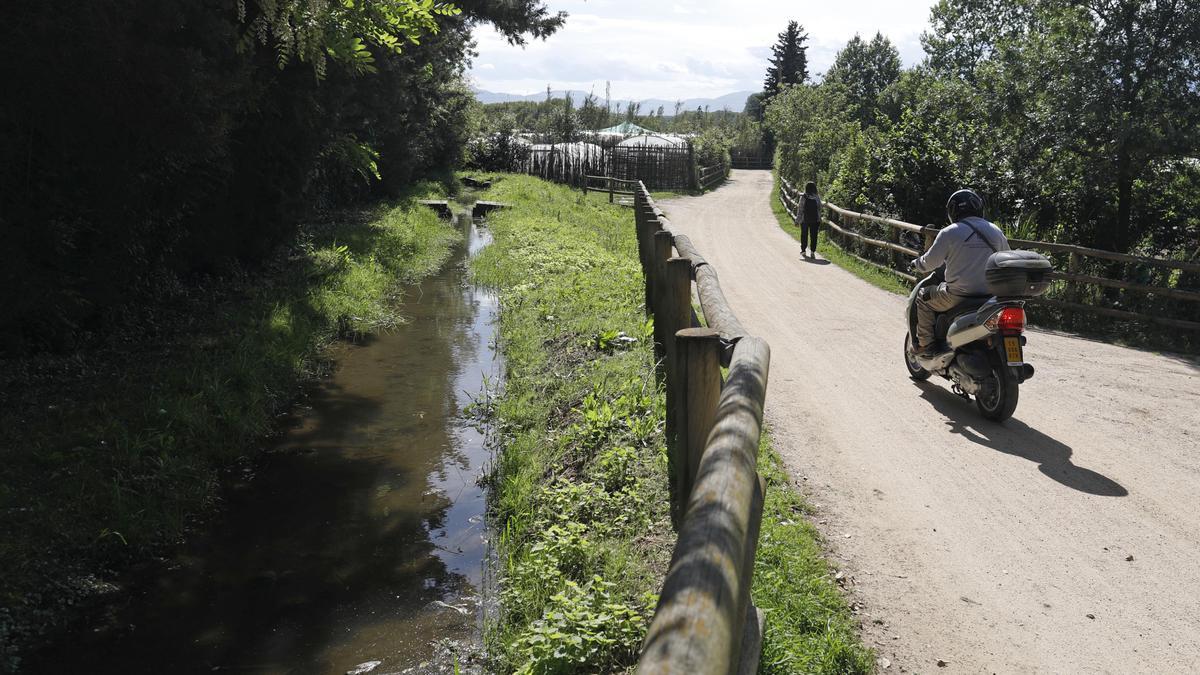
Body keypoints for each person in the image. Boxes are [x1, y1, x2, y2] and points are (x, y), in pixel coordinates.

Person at [910, 189, 1010, 356]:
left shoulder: (950, 232)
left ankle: (926, 345)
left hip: (957, 296)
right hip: (989, 296)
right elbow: (1007, 259)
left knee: (923, 297)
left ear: (953, 211)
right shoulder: (995, 230)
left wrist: (916, 264)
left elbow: (930, 263)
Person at [799, 181, 821, 257]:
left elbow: (800, 209)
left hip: (804, 219)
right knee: (814, 236)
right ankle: (812, 252)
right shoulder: (817, 197)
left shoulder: (803, 197)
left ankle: (803, 250)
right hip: (815, 219)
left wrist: (797, 220)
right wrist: (819, 219)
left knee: (804, 235)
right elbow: (819, 208)